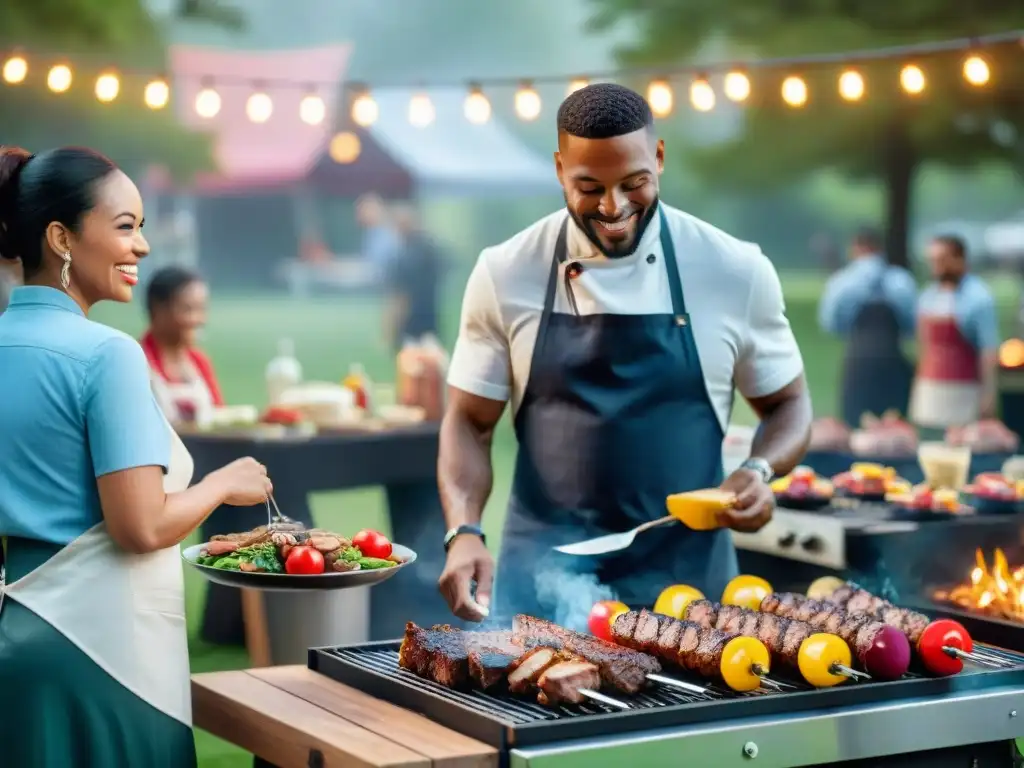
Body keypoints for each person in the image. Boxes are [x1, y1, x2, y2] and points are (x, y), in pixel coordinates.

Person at [436, 84, 812, 625]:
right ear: (559, 168)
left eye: (634, 183)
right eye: (589, 187)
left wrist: (758, 468)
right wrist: (464, 531)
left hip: (692, 599)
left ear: (658, 159)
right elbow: (468, 423)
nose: (613, 207)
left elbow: (789, 403)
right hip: (542, 584)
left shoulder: (734, 270)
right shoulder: (506, 271)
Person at [0, 145, 272, 767]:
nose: (142, 247)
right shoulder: (108, 355)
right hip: (106, 650)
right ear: (61, 237)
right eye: (125, 227)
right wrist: (222, 484)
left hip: (18, 636)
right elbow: (141, 526)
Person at [818, 227, 918, 427]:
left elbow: (830, 324)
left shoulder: (841, 282)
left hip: (858, 361)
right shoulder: (901, 280)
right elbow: (912, 325)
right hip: (893, 359)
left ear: (855, 248)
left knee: (855, 424)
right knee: (894, 424)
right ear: (880, 249)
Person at [910, 235, 1000, 432]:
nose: (936, 267)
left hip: (962, 388)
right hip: (930, 386)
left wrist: (988, 394)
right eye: (933, 261)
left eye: (942, 260)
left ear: (959, 260)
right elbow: (922, 345)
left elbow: (988, 350)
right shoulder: (928, 296)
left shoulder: (978, 297)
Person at [141, 265, 224, 424]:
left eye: (202, 309)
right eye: (188, 309)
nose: (200, 319)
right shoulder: (137, 362)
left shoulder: (199, 362)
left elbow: (219, 416)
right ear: (158, 310)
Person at [384, 202, 443, 349]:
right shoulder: (430, 250)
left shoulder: (403, 257)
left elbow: (400, 298)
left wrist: (390, 330)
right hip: (431, 325)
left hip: (410, 329)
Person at [356, 193, 400, 277]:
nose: (361, 215)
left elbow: (379, 268)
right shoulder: (370, 232)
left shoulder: (387, 235)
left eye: (365, 210)